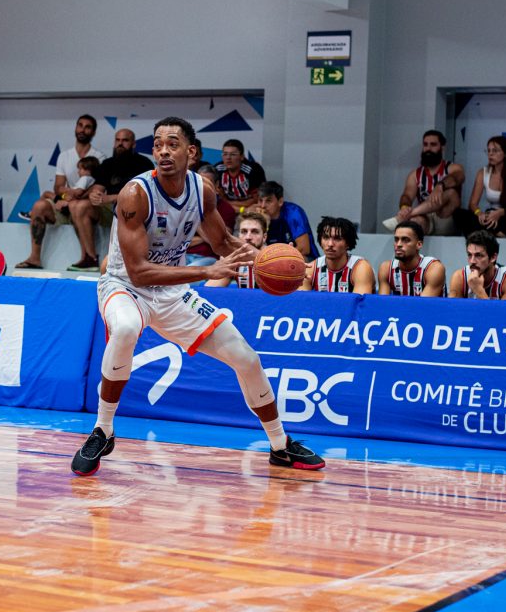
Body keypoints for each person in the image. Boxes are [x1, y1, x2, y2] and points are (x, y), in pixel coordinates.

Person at [72, 117, 323, 475]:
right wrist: (206, 272)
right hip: (125, 287)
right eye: (158, 144)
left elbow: (223, 243)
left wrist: (276, 263)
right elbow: (140, 271)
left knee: (246, 358)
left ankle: (280, 445)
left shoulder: (202, 190)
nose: (163, 151)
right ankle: (103, 429)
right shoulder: (135, 194)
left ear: (190, 152)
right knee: (125, 328)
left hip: (174, 293)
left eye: (172, 144)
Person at [15, 114, 105, 271]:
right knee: (39, 206)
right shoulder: (64, 156)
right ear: (75, 128)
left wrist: (71, 197)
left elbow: (97, 187)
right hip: (67, 203)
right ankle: (34, 259)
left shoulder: (100, 157)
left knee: (79, 206)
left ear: (93, 132)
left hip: (86, 205)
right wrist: (62, 197)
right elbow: (58, 187)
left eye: (87, 127)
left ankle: (88, 258)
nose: (82, 129)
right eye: (80, 125)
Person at [453, 135, 506, 240]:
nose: (490, 154)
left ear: (505, 154)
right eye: (488, 151)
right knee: (458, 214)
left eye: (495, 151)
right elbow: (473, 204)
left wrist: (501, 212)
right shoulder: (483, 172)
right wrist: (479, 213)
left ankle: (492, 232)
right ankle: (494, 232)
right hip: (490, 216)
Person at [384, 130, 465, 235]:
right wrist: (404, 208)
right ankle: (409, 217)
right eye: (425, 145)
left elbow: (457, 177)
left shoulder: (453, 168)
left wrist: (440, 186)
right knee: (415, 221)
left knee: (451, 193)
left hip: (445, 217)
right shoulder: (415, 174)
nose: (428, 148)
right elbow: (407, 196)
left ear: (442, 147)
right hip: (426, 217)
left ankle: (407, 215)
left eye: (433, 145)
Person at [301, 217, 375, 293]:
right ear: (320, 241)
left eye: (337, 238)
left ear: (348, 243)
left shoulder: (360, 268)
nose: (330, 244)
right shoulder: (311, 269)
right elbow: (301, 299)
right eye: (326, 237)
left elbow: (359, 300)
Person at [448, 230, 506, 300]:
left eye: (478, 255)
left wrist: (478, 290)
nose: (472, 261)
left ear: (493, 257)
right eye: (469, 255)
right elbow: (453, 309)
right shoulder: (459, 278)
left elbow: (505, 310)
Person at [187, 163, 236, 268]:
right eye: (199, 183)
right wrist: (208, 236)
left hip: (208, 258)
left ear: (217, 186)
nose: (202, 187)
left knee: (187, 271)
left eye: (207, 182)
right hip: (184, 256)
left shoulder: (227, 209)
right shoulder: (187, 206)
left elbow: (221, 241)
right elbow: (182, 241)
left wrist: (197, 223)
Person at [378, 221, 446, 297]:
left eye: (405, 240)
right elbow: (382, 302)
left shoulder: (433, 268)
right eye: (396, 239)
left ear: (419, 244)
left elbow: (424, 303)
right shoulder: (386, 269)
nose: (398, 244)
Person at [256, 181, 319, 260]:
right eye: (260, 200)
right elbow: (254, 247)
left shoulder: (293, 212)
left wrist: (276, 260)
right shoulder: (257, 214)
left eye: (268, 201)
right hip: (274, 260)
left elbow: (304, 249)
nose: (262, 206)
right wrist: (264, 224)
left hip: (307, 259)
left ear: (280, 202)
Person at [205, 210, 268, 288]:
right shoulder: (234, 257)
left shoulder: (275, 258)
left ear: (264, 237)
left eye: (254, 232)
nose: (248, 237)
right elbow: (210, 289)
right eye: (244, 232)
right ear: (238, 235)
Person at [213, 138, 266, 208]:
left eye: (233, 154)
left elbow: (257, 200)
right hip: (226, 208)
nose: (228, 158)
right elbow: (216, 198)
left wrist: (228, 202)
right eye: (225, 154)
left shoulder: (254, 170)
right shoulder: (217, 169)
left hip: (250, 209)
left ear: (242, 157)